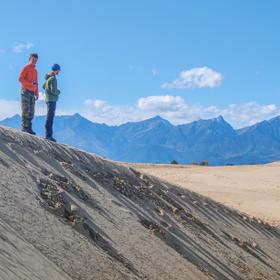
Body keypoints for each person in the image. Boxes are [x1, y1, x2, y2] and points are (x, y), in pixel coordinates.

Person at [18, 53, 39, 134]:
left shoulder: (35, 71)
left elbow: (36, 83)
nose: (34, 61)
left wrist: (36, 93)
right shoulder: (26, 67)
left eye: (36, 60)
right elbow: (20, 79)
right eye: (33, 59)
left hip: (32, 92)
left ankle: (29, 128)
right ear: (29, 58)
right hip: (25, 90)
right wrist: (30, 84)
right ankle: (24, 127)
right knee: (25, 109)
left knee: (31, 111)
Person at [43, 64, 61, 142]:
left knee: (49, 116)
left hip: (47, 99)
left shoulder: (48, 78)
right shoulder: (53, 78)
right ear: (56, 70)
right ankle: (48, 135)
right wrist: (58, 92)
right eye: (59, 70)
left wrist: (48, 91)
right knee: (50, 117)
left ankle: (48, 134)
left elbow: (44, 86)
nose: (59, 72)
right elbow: (54, 91)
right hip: (52, 100)